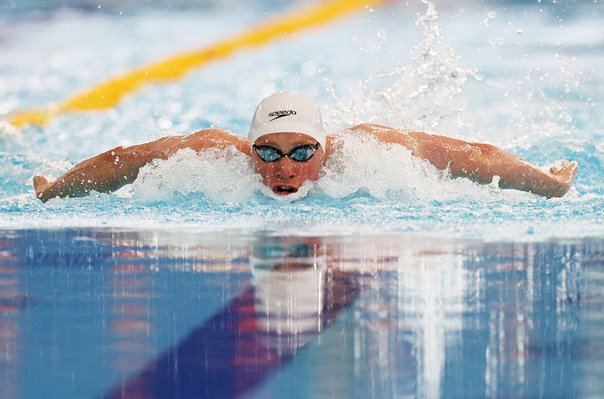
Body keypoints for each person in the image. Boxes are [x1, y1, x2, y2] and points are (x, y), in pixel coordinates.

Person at [32, 91, 578, 202]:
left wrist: (548, 186)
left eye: (301, 152)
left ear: (325, 146)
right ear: (250, 152)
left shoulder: (370, 152)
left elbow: (473, 158)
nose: (285, 167)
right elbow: (123, 162)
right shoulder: (213, 156)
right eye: (268, 152)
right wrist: (55, 191)